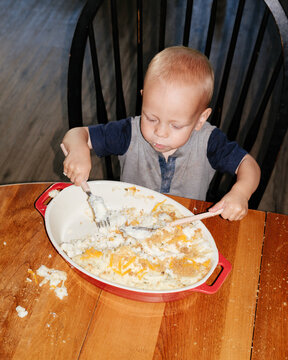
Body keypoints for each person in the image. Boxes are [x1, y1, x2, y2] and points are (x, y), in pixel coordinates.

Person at [61, 46, 260, 221]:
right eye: (151, 118)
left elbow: (248, 165)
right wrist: (78, 150)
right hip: (128, 221)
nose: (160, 132)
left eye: (175, 125)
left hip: (187, 227)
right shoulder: (129, 133)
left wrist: (240, 193)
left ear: (201, 119)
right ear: (143, 98)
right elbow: (77, 134)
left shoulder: (209, 141)